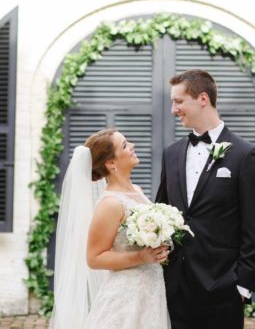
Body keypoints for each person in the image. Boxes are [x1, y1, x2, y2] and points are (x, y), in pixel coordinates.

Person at [156, 69, 255, 329]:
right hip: (174, 287)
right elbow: (162, 211)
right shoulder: (171, 154)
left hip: (223, 290)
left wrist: (243, 286)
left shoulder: (245, 155)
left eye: (178, 101)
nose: (174, 110)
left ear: (203, 99)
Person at [50, 128, 169, 329]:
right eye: (124, 145)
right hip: (127, 297)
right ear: (111, 163)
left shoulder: (137, 190)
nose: (132, 146)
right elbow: (94, 258)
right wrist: (140, 258)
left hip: (151, 288)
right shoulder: (110, 203)